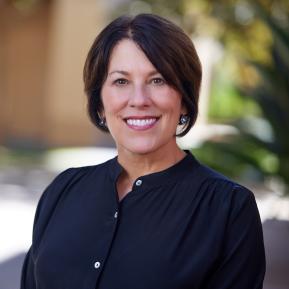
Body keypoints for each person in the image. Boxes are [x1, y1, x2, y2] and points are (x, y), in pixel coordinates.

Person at [21, 14, 265, 289]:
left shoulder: (228, 210)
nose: (139, 100)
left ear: (184, 99)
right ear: (100, 102)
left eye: (158, 80)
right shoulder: (63, 191)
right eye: (121, 81)